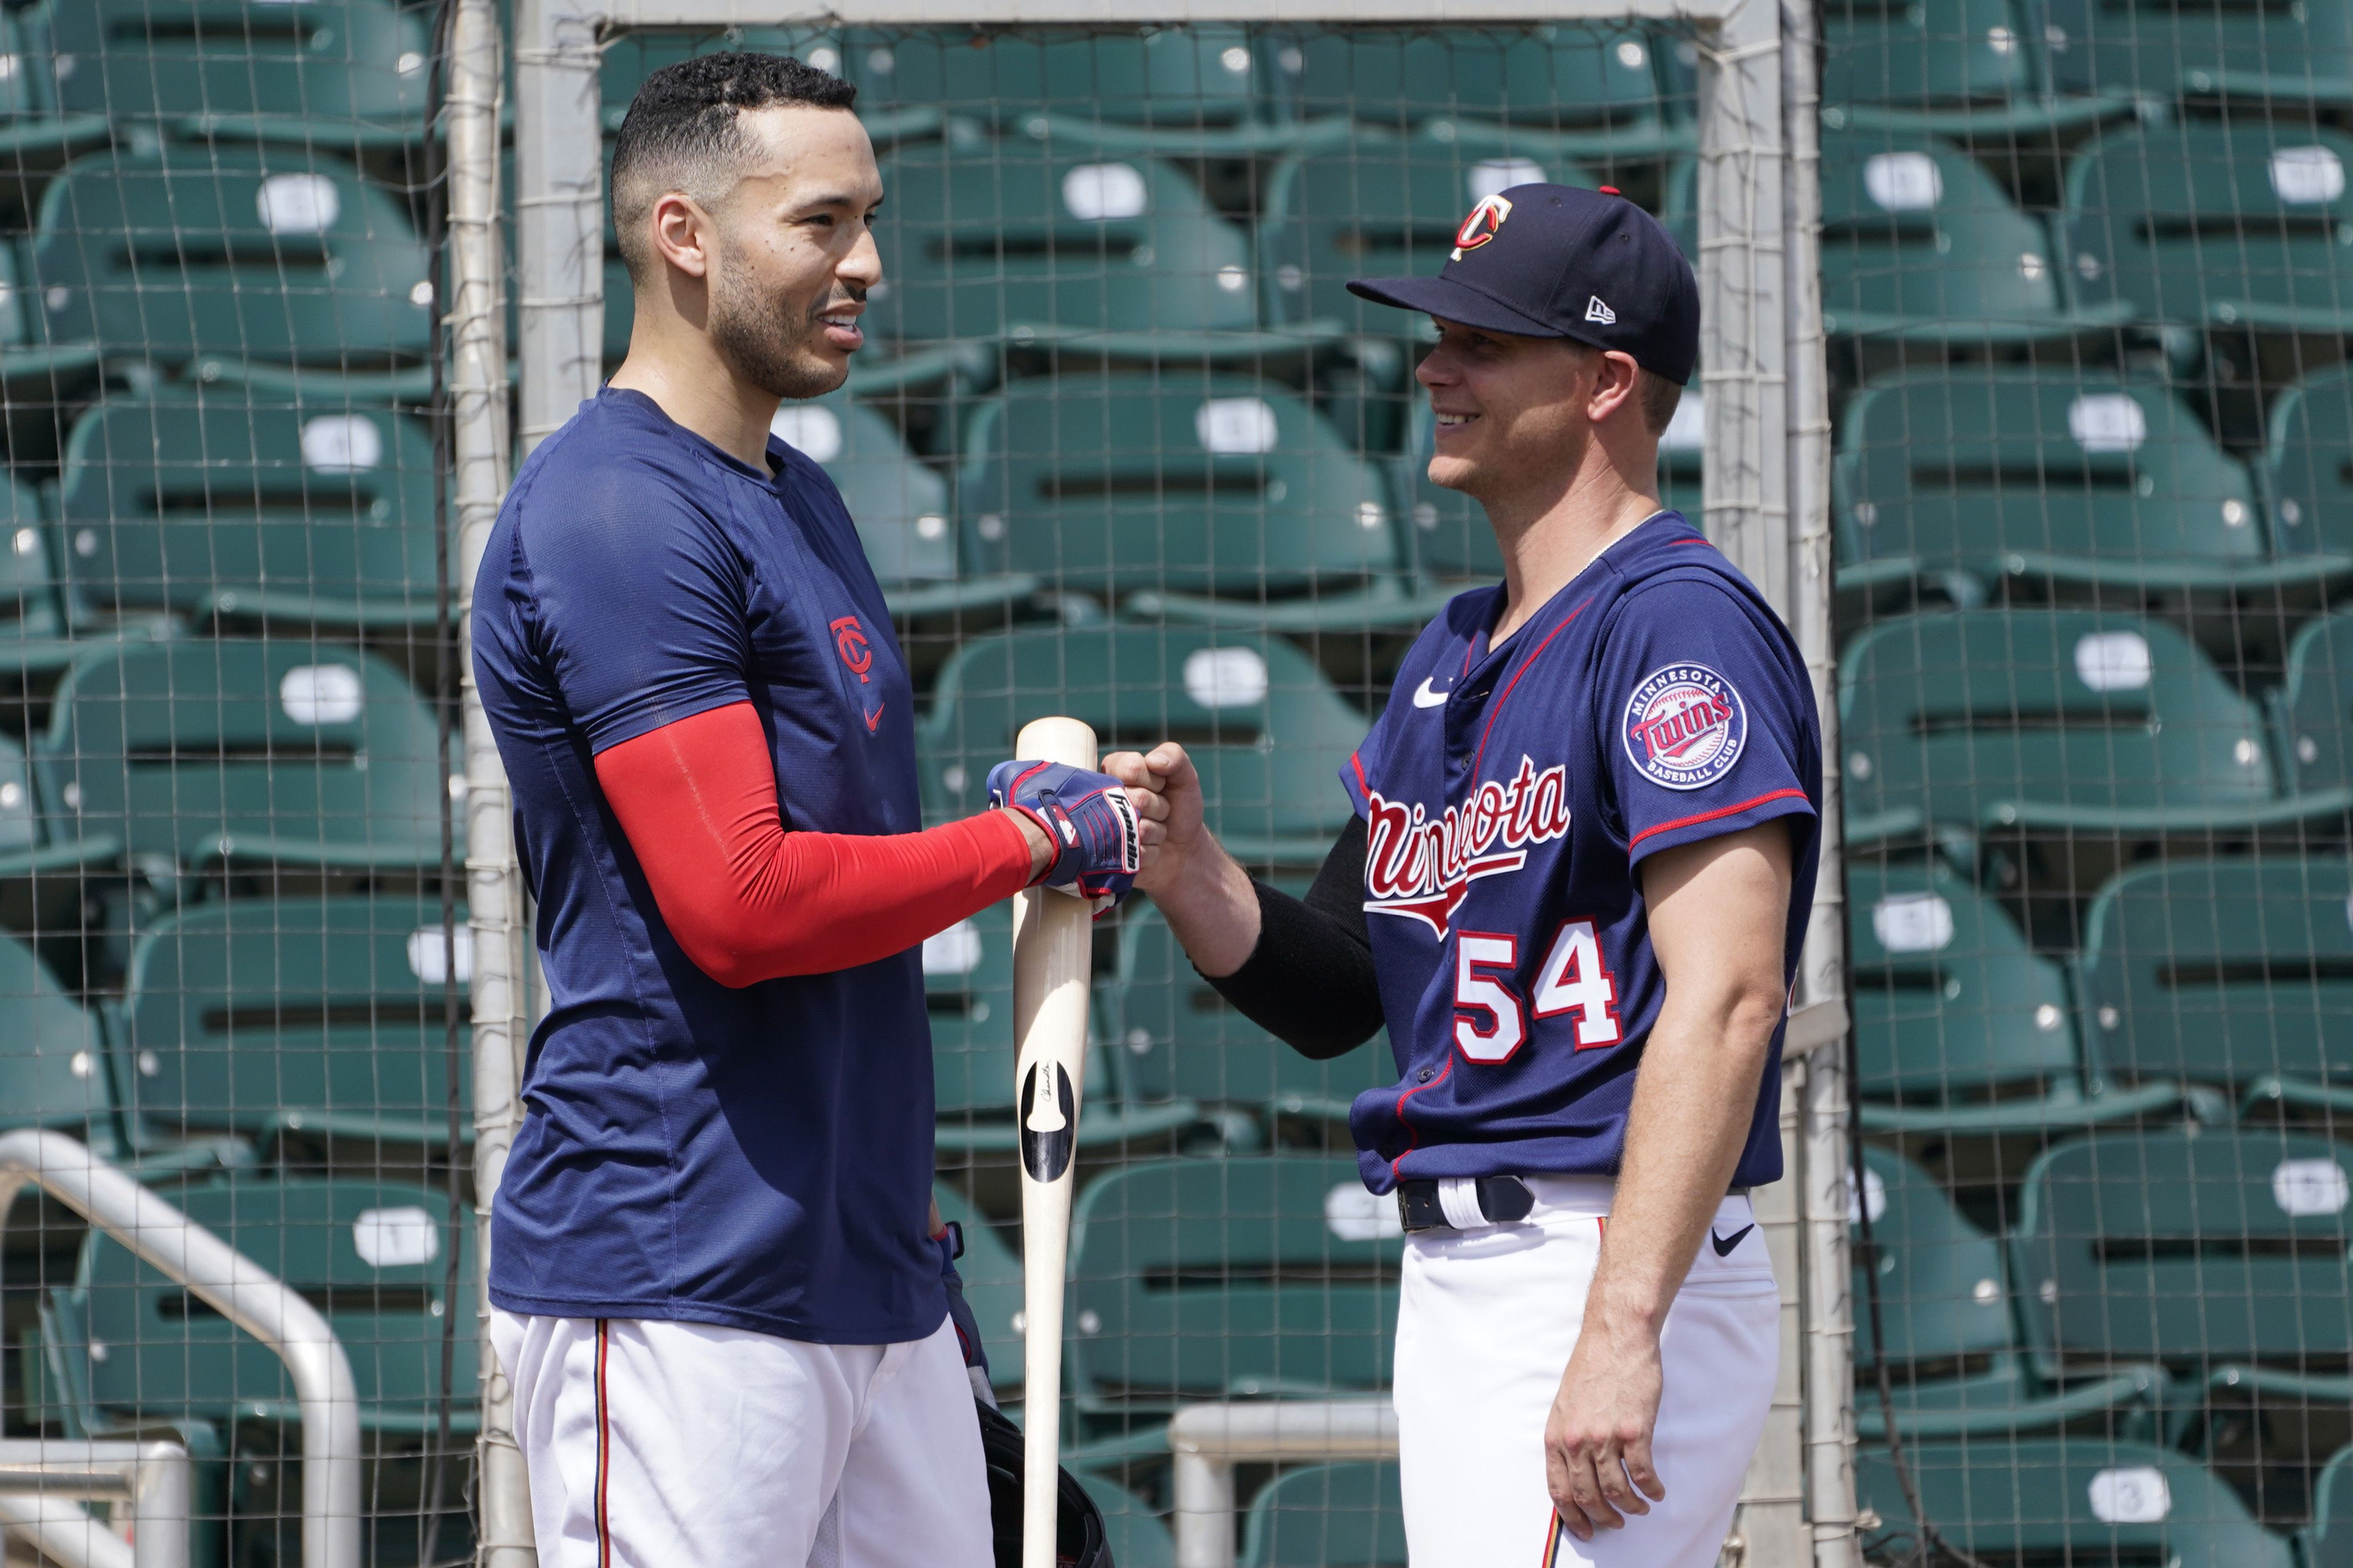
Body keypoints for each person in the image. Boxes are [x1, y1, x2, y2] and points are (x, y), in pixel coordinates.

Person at [469, 53, 1145, 1567]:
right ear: (683, 235)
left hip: (862, 1274)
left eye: (870, 219)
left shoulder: (796, 493)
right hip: (675, 1269)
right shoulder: (615, 509)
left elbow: (847, 871)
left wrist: (899, 1239)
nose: (864, 265)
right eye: (820, 222)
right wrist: (1032, 839)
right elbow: (743, 903)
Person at [1106, 183, 1823, 1568]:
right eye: (1440, 334)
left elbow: (1731, 996)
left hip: (1594, 1249)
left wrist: (1619, 1327)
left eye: (1483, 343)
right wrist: (1190, 868)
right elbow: (1339, 989)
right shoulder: (1451, 652)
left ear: (1608, 381)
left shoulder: (1675, 627)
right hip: (1475, 1273)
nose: (1434, 366)